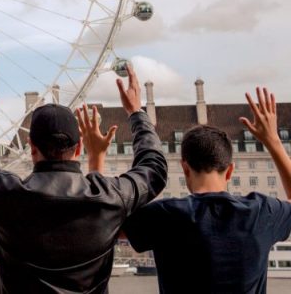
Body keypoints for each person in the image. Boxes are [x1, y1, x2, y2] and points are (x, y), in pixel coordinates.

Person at [0, 63, 168, 293]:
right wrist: (137, 113)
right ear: (78, 149)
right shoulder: (110, 197)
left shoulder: (3, 194)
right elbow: (154, 169)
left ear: (31, 148)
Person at [121, 87, 291, 293]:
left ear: (185, 168)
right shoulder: (261, 212)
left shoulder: (163, 215)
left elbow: (99, 226)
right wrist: (273, 141)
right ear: (230, 171)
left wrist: (97, 158)